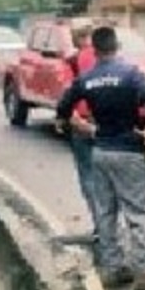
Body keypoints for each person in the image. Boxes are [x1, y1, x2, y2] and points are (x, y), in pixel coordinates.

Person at [56, 26, 145, 290]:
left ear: (94, 50)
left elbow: (64, 105)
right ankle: (144, 271)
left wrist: (65, 121)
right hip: (128, 150)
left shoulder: (87, 78)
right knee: (138, 212)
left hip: (100, 151)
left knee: (106, 211)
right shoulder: (131, 73)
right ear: (117, 46)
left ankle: (114, 267)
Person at [62, 25, 98, 240]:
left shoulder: (72, 62)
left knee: (89, 176)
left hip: (83, 123)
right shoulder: (112, 60)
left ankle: (100, 224)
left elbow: (67, 96)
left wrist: (74, 120)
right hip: (110, 124)